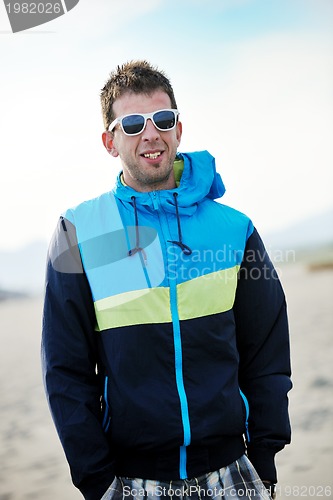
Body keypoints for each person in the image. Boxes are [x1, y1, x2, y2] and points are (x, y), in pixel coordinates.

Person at [41, 60, 292, 500]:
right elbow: (65, 371)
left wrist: (264, 460)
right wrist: (97, 480)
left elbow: (267, 352)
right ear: (109, 141)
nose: (151, 134)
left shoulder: (235, 229)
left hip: (234, 471)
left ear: (179, 128)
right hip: (128, 481)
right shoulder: (79, 231)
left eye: (163, 119)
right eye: (133, 123)